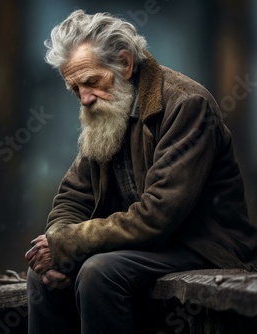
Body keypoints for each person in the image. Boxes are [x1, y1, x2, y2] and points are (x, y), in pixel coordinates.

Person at [25, 10, 257, 333]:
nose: (85, 98)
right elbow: (72, 197)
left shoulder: (187, 105)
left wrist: (70, 242)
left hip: (201, 247)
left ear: (124, 64)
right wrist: (57, 245)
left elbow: (158, 214)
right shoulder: (104, 111)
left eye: (91, 81)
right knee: (41, 276)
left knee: (98, 271)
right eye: (75, 89)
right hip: (145, 247)